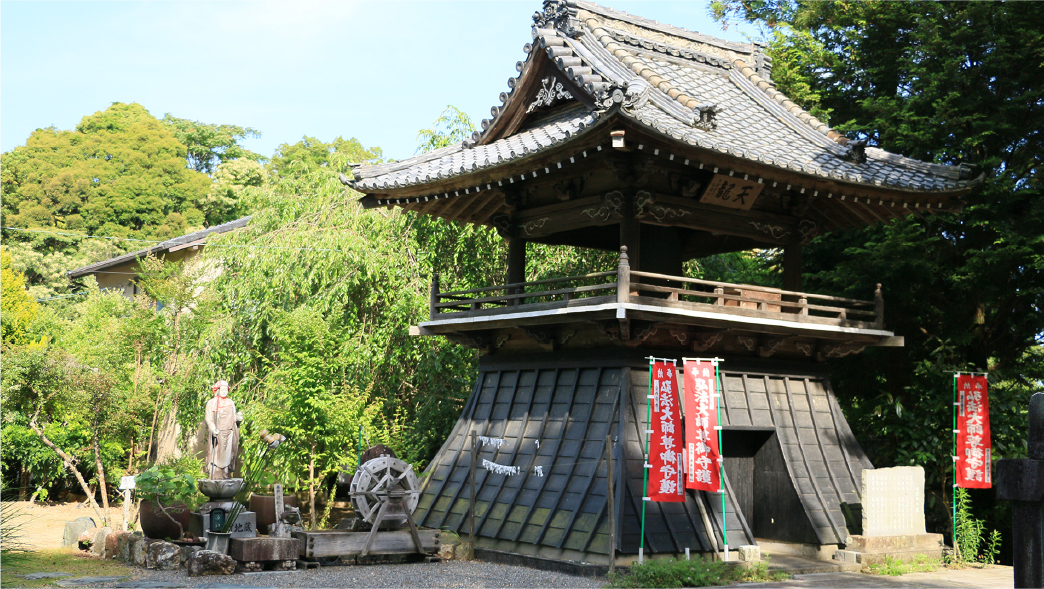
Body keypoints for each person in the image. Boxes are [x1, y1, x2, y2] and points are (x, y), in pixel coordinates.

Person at [204, 380, 242, 480]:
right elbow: (208, 418)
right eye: (223, 389)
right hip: (217, 432)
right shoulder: (211, 403)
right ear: (217, 390)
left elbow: (234, 418)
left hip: (229, 432)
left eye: (226, 389)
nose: (225, 391)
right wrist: (213, 428)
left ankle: (225, 473)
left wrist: (238, 419)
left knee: (227, 453)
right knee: (216, 452)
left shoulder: (230, 403)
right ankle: (215, 474)